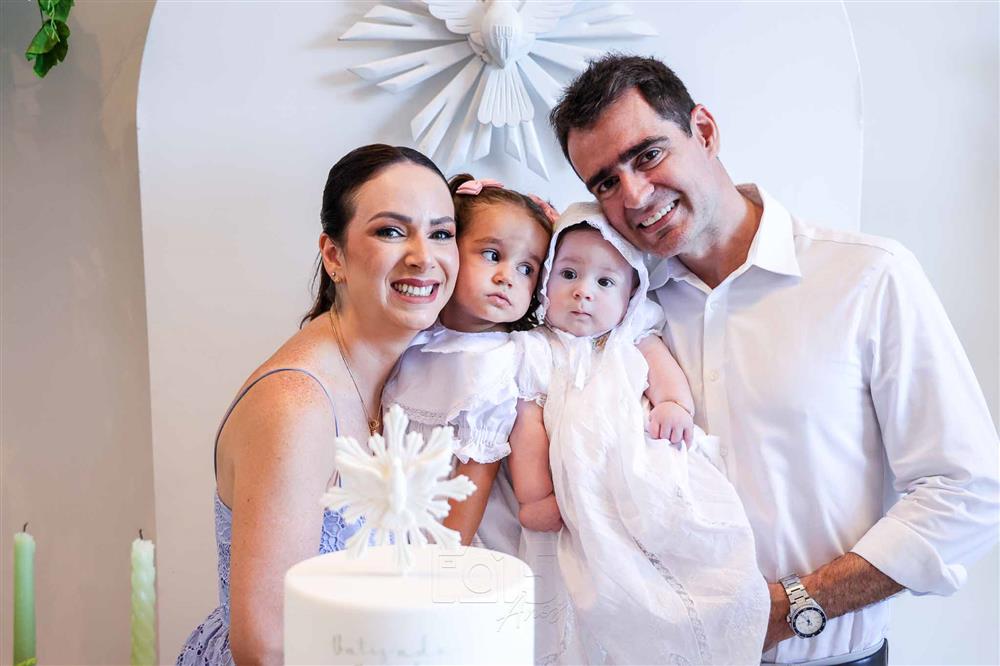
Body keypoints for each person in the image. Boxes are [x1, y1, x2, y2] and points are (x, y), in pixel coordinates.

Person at [548, 54, 1000, 665]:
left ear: (704, 130)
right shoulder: (621, 305)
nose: (634, 195)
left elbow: (966, 491)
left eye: (648, 154)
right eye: (605, 182)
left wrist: (791, 608)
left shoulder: (867, 277)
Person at [176, 144, 458, 665]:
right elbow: (267, 649)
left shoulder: (414, 372)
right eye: (391, 231)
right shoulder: (297, 406)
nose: (424, 256)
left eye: (441, 233)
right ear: (334, 256)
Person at [506, 203, 769, 665]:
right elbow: (527, 427)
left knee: (672, 532)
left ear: (631, 295)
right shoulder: (535, 350)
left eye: (605, 282)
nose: (583, 292)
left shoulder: (634, 336)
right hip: (574, 492)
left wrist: (673, 405)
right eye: (568, 274)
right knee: (577, 580)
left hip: (643, 470)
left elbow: (665, 375)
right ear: (544, 281)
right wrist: (534, 496)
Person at [382, 174, 554, 553]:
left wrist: (445, 557)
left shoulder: (498, 360)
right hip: (396, 518)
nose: (507, 277)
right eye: (492, 255)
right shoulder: (416, 338)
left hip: (459, 534)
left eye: (527, 268)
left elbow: (477, 471)